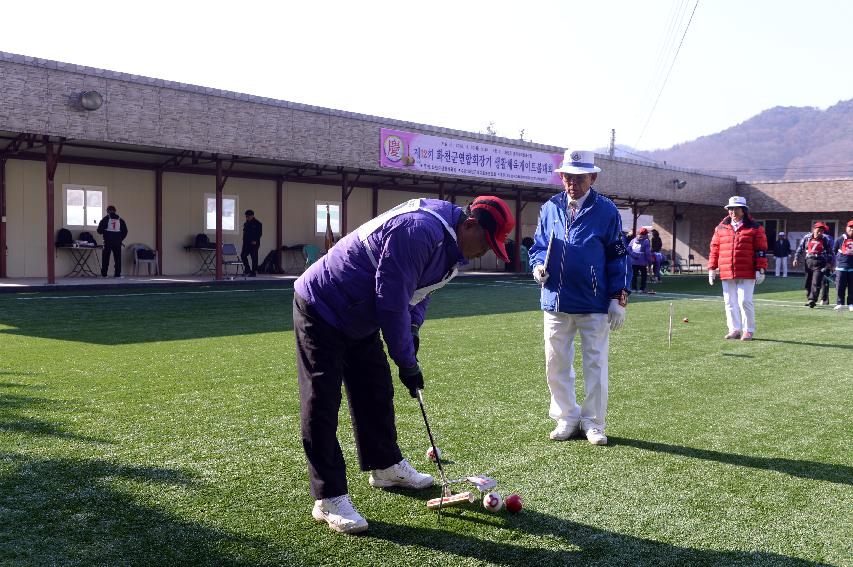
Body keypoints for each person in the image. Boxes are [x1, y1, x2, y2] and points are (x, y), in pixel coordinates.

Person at [293, 195, 515, 534]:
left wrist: (412, 330)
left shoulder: (455, 250)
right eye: (487, 242)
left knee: (375, 390)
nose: (486, 251)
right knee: (322, 402)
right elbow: (392, 299)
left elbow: (419, 294)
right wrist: (407, 361)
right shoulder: (418, 231)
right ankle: (328, 496)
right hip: (324, 303)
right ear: (470, 224)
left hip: (360, 314)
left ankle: (385, 466)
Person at [529, 149, 630, 447]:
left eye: (579, 177)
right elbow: (538, 245)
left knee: (595, 364)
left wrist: (618, 296)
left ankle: (594, 422)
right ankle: (566, 417)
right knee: (555, 361)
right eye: (567, 177)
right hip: (555, 299)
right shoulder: (550, 207)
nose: (572, 183)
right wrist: (537, 266)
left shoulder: (607, 210)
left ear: (593, 177)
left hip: (594, 302)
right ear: (561, 177)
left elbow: (618, 255)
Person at [707, 196, 768, 340]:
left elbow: (761, 250)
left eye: (736, 208)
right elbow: (714, 249)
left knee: (745, 301)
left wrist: (760, 269)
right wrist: (711, 267)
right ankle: (734, 329)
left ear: (744, 210)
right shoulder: (720, 228)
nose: (732, 211)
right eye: (730, 209)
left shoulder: (755, 228)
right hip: (727, 270)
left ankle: (749, 330)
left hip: (747, 271)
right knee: (729, 302)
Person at [793, 222, 834, 308]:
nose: (820, 233)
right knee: (808, 282)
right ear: (814, 229)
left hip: (820, 262)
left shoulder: (825, 239)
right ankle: (809, 298)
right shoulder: (807, 237)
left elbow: (830, 252)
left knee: (816, 282)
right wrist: (796, 258)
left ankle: (812, 300)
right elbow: (800, 248)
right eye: (818, 230)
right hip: (808, 261)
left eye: (822, 231)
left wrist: (830, 263)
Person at [96, 205, 128, 278]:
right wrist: (120, 239)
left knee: (105, 258)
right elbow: (125, 231)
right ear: (115, 211)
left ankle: (104, 274)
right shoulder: (120, 220)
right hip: (117, 242)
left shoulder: (105, 219)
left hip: (107, 242)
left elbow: (99, 231)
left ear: (107, 211)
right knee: (117, 259)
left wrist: (105, 232)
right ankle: (117, 274)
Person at [833, 220, 853, 311]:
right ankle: (840, 303)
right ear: (846, 228)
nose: (852, 229)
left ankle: (851, 303)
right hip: (841, 267)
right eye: (850, 227)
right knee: (840, 286)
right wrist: (835, 262)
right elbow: (834, 251)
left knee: (852, 287)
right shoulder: (840, 239)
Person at [628, 227, 654, 293]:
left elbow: (628, 249)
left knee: (634, 275)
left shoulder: (633, 240)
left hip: (633, 261)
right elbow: (648, 253)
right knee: (643, 276)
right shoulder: (646, 241)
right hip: (642, 262)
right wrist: (650, 262)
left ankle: (633, 288)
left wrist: (633, 255)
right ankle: (641, 289)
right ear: (645, 234)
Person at [240, 209, 263, 277]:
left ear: (252, 216)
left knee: (254, 257)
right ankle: (247, 270)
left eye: (248, 216)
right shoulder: (246, 223)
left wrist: (255, 240)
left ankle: (253, 272)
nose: (247, 218)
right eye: (246, 216)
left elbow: (259, 233)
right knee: (243, 255)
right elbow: (245, 233)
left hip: (254, 243)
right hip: (246, 243)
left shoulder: (258, 223)